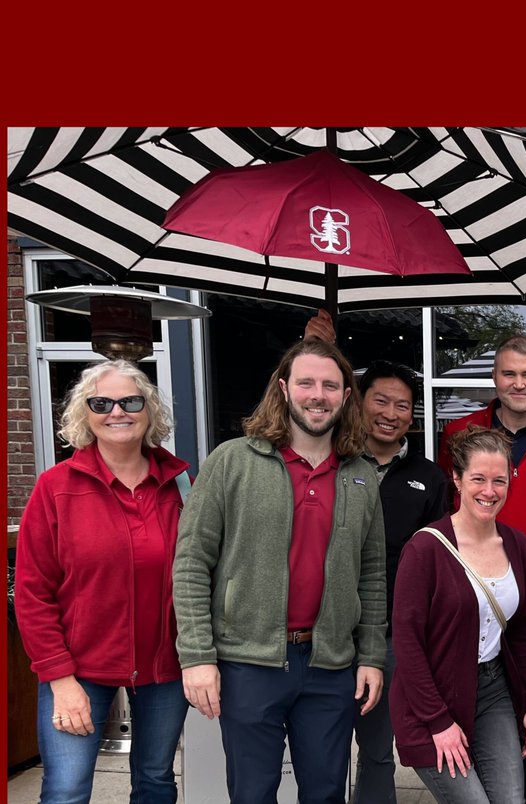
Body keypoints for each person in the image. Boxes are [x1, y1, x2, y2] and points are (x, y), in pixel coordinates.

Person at [173, 338, 387, 804]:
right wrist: (197, 656)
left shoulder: (360, 475)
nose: (318, 394)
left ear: (346, 396)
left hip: (330, 665)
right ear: (284, 388)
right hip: (248, 662)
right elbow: (191, 562)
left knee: (327, 792)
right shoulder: (231, 462)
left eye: (331, 385)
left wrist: (370, 655)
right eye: (307, 382)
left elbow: (371, 576)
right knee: (252, 793)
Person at [14, 359, 191, 804]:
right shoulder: (55, 488)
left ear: (149, 411)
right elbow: (33, 593)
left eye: (131, 401)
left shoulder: (180, 486)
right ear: (85, 414)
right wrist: (59, 678)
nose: (118, 411)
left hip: (163, 667)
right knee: (66, 789)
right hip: (79, 670)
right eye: (102, 402)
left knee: (155, 780)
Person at [391, 425, 526, 804]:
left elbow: (520, 633)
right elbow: (407, 643)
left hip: (493, 691)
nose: (489, 492)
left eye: (499, 481)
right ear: (457, 479)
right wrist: (439, 722)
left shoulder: (518, 546)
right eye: (478, 479)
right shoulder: (425, 548)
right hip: (433, 694)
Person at [351, 360, 448, 804]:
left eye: (403, 405)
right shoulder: (334, 462)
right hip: (326, 630)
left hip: (390, 631)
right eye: (381, 400)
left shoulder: (429, 478)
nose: (390, 413)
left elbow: (438, 562)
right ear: (359, 401)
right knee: (323, 745)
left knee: (376, 747)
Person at [437, 334, 526, 628]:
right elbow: (444, 512)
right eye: (509, 374)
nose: (518, 384)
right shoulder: (459, 434)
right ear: (494, 376)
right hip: (468, 596)